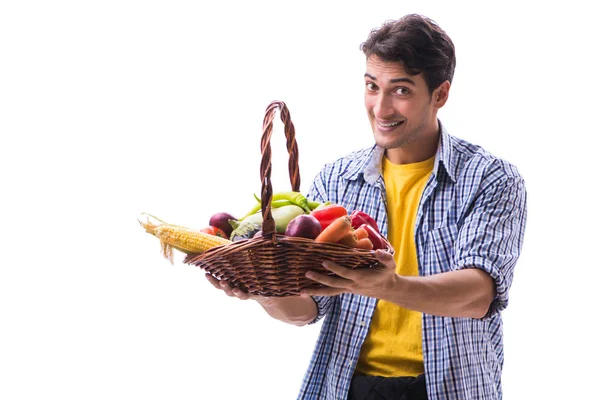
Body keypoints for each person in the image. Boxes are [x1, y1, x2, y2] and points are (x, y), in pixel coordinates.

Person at [205, 14, 527, 400]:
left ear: (440, 95)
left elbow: (478, 295)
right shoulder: (337, 180)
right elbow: (308, 309)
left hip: (450, 388)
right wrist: (264, 290)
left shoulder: (491, 179)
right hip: (347, 386)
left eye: (401, 91)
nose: (381, 107)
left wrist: (388, 286)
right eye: (373, 87)